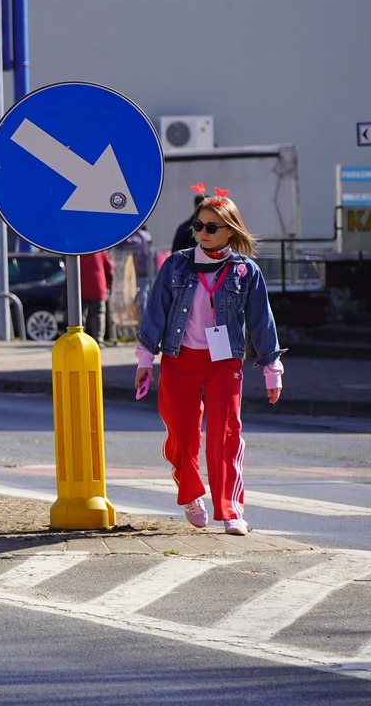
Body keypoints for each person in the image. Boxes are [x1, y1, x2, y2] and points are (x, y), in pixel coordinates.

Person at [135, 194, 283, 535]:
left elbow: (262, 321)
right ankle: (190, 493)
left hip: (223, 361)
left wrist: (272, 370)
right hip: (179, 358)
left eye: (212, 227)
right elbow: (155, 312)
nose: (203, 232)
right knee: (181, 434)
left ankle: (230, 509)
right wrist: (145, 360)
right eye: (198, 225)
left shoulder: (245, 271)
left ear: (230, 231)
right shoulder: (176, 264)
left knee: (226, 433)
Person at [80, 247, 115, 343]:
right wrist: (109, 285)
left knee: (80, 314)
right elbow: (109, 269)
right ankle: (98, 339)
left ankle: (80, 338)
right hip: (98, 286)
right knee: (99, 313)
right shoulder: (100, 250)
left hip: (81, 287)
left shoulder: (79, 251)